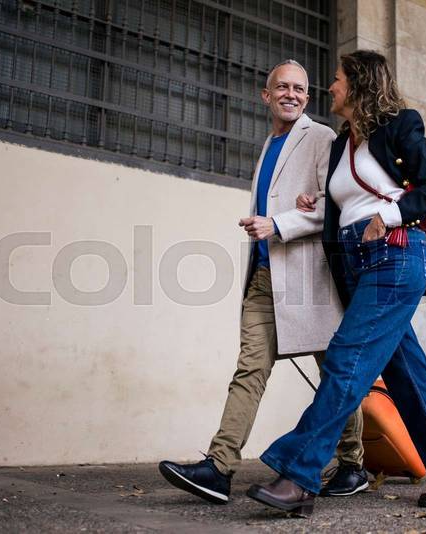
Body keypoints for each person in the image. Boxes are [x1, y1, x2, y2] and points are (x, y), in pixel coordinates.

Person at [246, 50, 426, 518]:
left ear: (358, 84)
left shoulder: (400, 125)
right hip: (355, 264)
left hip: (394, 255)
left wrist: (387, 214)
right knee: (409, 376)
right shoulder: (340, 144)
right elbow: (340, 204)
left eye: (335, 80)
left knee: (346, 364)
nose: (329, 88)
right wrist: (316, 197)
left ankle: (297, 474)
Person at [158, 60, 369, 505]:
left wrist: (278, 222)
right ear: (266, 95)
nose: (292, 94)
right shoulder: (270, 142)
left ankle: (352, 464)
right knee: (249, 369)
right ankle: (218, 468)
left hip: (308, 278)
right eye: (283, 88)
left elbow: (334, 206)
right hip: (263, 277)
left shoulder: (320, 138)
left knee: (334, 371)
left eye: (300, 88)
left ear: (308, 98)